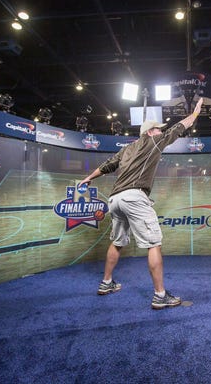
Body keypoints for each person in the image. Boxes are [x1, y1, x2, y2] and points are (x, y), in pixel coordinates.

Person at [78, 97, 204, 309]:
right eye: (158, 129)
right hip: (134, 197)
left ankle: (106, 283)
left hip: (115, 199)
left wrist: (88, 178)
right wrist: (196, 113)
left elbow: (107, 166)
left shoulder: (127, 149)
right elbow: (180, 127)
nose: (161, 132)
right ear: (150, 132)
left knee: (117, 242)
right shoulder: (153, 140)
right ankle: (160, 295)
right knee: (153, 244)